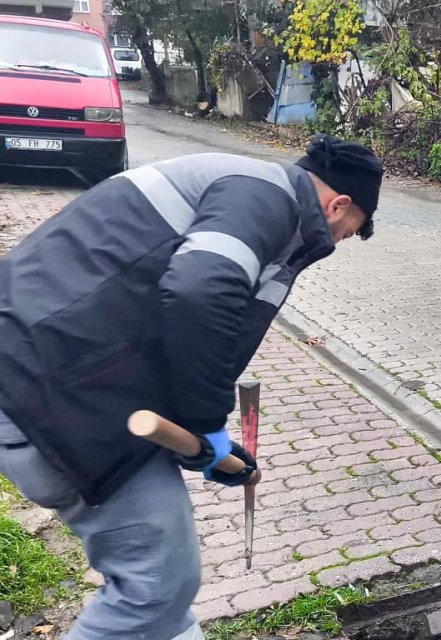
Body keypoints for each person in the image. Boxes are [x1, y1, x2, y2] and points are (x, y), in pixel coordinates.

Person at [0, 134, 383, 639]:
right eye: (349, 232)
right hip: (50, 389)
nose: (336, 244)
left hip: (62, 375)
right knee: (155, 585)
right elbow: (201, 291)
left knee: (167, 598)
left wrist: (201, 443)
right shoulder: (264, 197)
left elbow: (157, 318)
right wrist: (205, 428)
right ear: (338, 206)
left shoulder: (246, 188)